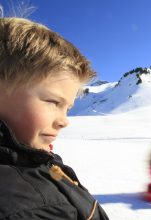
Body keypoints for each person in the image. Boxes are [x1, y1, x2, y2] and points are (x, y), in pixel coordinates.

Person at [0, 17, 109, 219]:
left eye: (67, 108)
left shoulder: (35, 161)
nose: (64, 121)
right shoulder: (31, 209)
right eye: (53, 102)